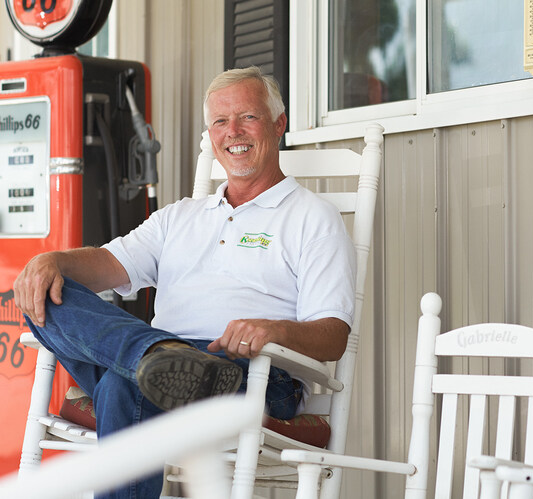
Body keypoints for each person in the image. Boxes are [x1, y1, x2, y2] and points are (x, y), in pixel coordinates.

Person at [13, 66, 356, 498]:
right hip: (165, 358)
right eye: (219, 121)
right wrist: (51, 260)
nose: (233, 131)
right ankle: (154, 355)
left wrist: (275, 330)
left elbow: (333, 337)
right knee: (46, 292)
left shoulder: (312, 218)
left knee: (125, 383)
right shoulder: (180, 216)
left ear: (278, 124)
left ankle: (149, 360)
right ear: (210, 134)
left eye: (247, 117)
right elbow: (105, 262)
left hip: (250, 373)